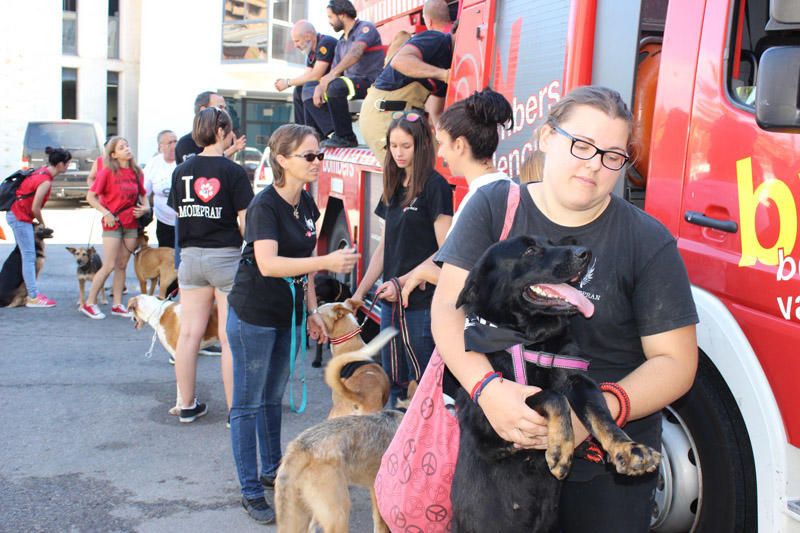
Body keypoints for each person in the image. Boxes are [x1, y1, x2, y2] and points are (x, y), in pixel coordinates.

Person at [431, 85, 699, 532]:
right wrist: (488, 391)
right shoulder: (495, 208)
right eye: (581, 145)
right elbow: (447, 310)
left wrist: (591, 418)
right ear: (546, 138)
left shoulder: (647, 242)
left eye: (613, 155)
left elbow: (676, 363)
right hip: (496, 459)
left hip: (603, 470)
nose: (594, 164)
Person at [226, 124, 359, 524]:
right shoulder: (264, 206)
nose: (318, 162)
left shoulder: (307, 204)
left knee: (272, 400)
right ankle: (251, 490)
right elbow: (268, 264)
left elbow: (301, 271)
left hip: (288, 316)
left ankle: (273, 472)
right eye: (310, 156)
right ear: (282, 160)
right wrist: (325, 263)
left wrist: (314, 310)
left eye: (320, 155)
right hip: (253, 315)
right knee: (247, 405)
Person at [352, 111, 453, 405]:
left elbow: (445, 251)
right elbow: (385, 247)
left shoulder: (436, 187)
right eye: (393, 145)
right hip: (390, 303)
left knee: (422, 386)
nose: (398, 152)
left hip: (421, 305)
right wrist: (359, 293)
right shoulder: (393, 185)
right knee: (393, 383)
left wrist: (404, 281)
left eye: (405, 146)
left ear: (421, 146)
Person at [167, 107, 254, 423]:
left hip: (190, 258)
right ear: (222, 131)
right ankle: (235, 411)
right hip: (225, 258)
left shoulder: (181, 171)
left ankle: (186, 405)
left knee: (189, 335)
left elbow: (180, 216)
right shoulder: (233, 172)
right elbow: (246, 224)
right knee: (228, 336)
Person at [400, 88, 513, 304]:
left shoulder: (479, 200)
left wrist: (423, 274)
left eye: (442, 143)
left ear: (459, 145)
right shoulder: (508, 187)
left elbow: (470, 282)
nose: (440, 153)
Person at [360, 0, 453, 163]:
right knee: (406, 178)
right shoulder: (435, 37)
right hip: (383, 116)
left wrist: (445, 144)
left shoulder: (446, 57)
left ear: (428, 20)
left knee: (431, 170)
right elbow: (399, 61)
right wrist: (445, 74)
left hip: (406, 118)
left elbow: (436, 112)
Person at [82, 137, 150, 319]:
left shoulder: (137, 172)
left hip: (131, 223)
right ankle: (89, 303)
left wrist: (145, 208)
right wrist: (106, 213)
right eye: (122, 147)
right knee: (109, 264)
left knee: (122, 265)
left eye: (127, 145)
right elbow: (91, 197)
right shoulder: (107, 172)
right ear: (113, 154)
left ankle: (117, 304)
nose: (127, 149)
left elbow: (144, 196)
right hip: (113, 222)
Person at [304, 0, 385, 148]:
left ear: (341, 15)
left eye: (330, 17)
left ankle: (346, 137)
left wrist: (330, 76)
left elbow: (355, 53)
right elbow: (335, 70)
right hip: (351, 85)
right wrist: (320, 87)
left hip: (371, 83)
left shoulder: (365, 28)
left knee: (335, 86)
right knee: (308, 90)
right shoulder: (341, 42)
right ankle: (324, 135)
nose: (329, 22)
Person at [5, 146, 71, 308]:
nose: (68, 166)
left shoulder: (41, 171)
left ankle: (22, 293)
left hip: (17, 214)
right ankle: (33, 296)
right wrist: (42, 224)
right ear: (60, 164)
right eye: (67, 163)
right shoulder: (45, 181)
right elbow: (36, 208)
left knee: (25, 255)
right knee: (28, 256)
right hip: (20, 217)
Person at [274, 20, 338, 135]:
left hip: (336, 84)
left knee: (308, 88)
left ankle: (330, 131)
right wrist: (289, 83)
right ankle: (304, 131)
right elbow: (307, 76)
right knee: (299, 90)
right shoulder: (311, 52)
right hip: (325, 86)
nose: (295, 45)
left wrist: (287, 82)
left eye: (297, 41)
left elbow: (315, 75)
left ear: (308, 36)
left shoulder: (325, 43)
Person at [143, 130, 178, 248]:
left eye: (175, 141)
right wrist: (146, 207)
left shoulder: (184, 160)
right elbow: (143, 192)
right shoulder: (154, 164)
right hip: (164, 221)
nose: (174, 145)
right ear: (161, 146)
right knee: (166, 258)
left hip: (185, 222)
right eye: (169, 143)